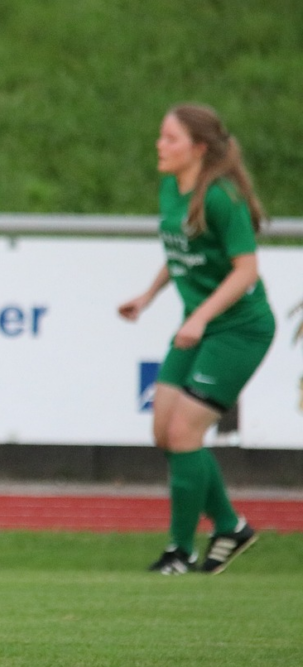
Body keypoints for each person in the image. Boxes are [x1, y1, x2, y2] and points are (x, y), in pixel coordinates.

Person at [118, 103, 274, 575]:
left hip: (238, 329)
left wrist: (201, 316)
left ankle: (180, 552)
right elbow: (181, 247)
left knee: (185, 433)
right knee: (163, 432)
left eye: (170, 139)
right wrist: (147, 295)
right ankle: (230, 526)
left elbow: (246, 270)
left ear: (199, 148)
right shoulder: (172, 187)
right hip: (200, 324)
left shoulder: (221, 197)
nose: (159, 145)